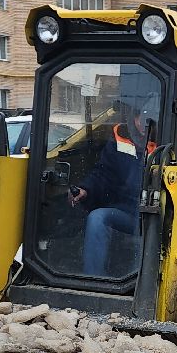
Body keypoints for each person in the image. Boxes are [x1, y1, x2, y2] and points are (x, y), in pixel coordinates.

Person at [70, 99, 158, 276]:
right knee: (97, 218)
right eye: (140, 118)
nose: (143, 125)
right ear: (134, 117)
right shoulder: (121, 136)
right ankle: (94, 281)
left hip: (163, 216)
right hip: (129, 212)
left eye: (150, 120)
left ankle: (143, 286)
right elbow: (104, 173)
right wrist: (85, 189)